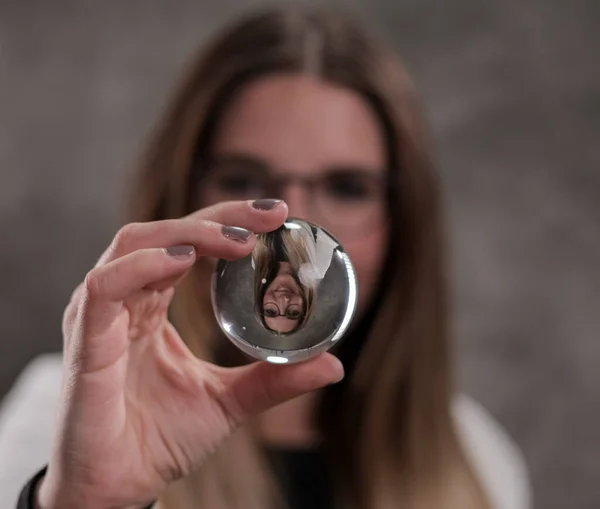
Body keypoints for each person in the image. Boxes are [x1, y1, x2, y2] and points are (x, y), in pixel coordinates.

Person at [0, 5, 532, 509]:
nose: (291, 233)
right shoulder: (72, 411)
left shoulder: (476, 455)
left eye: (347, 187)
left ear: (404, 224)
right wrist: (88, 500)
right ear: (181, 197)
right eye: (245, 180)